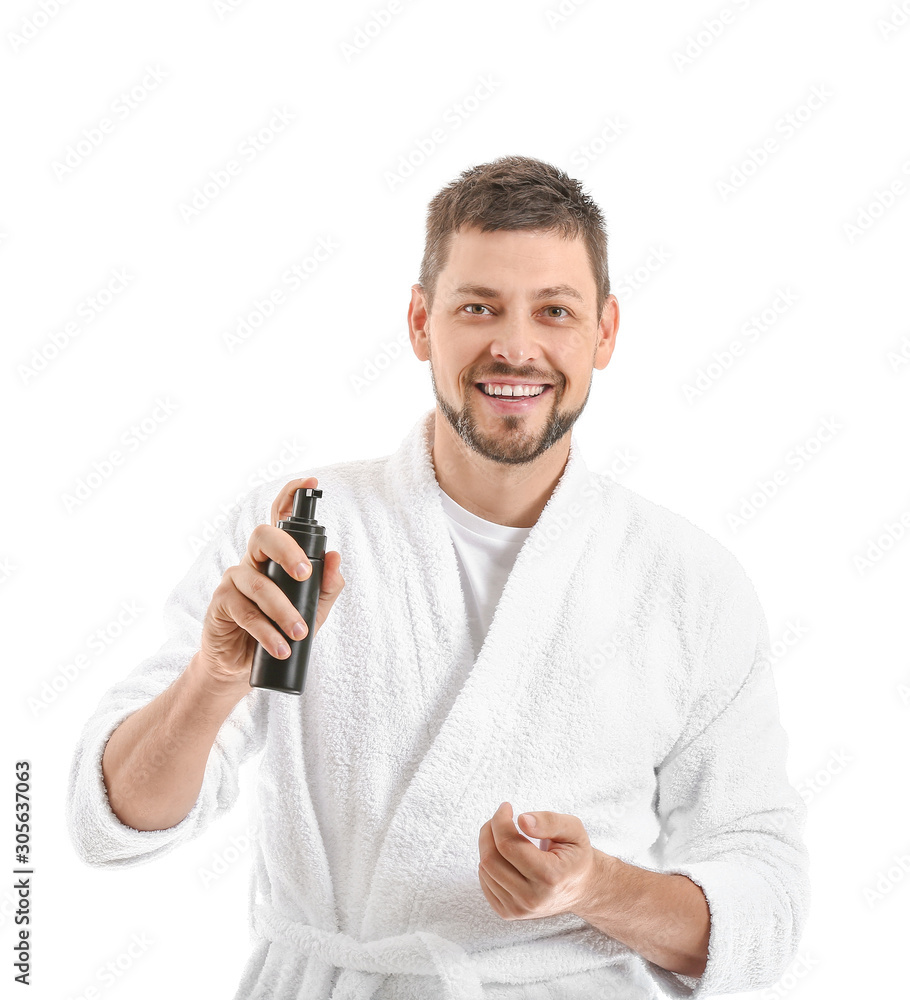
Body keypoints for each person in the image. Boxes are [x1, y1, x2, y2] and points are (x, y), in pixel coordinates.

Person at [67, 155, 810, 1000]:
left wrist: (596, 886)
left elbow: (767, 905)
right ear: (422, 322)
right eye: (478, 306)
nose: (516, 347)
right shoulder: (293, 534)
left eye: (555, 311)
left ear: (605, 332)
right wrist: (212, 681)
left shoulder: (688, 582)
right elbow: (113, 824)